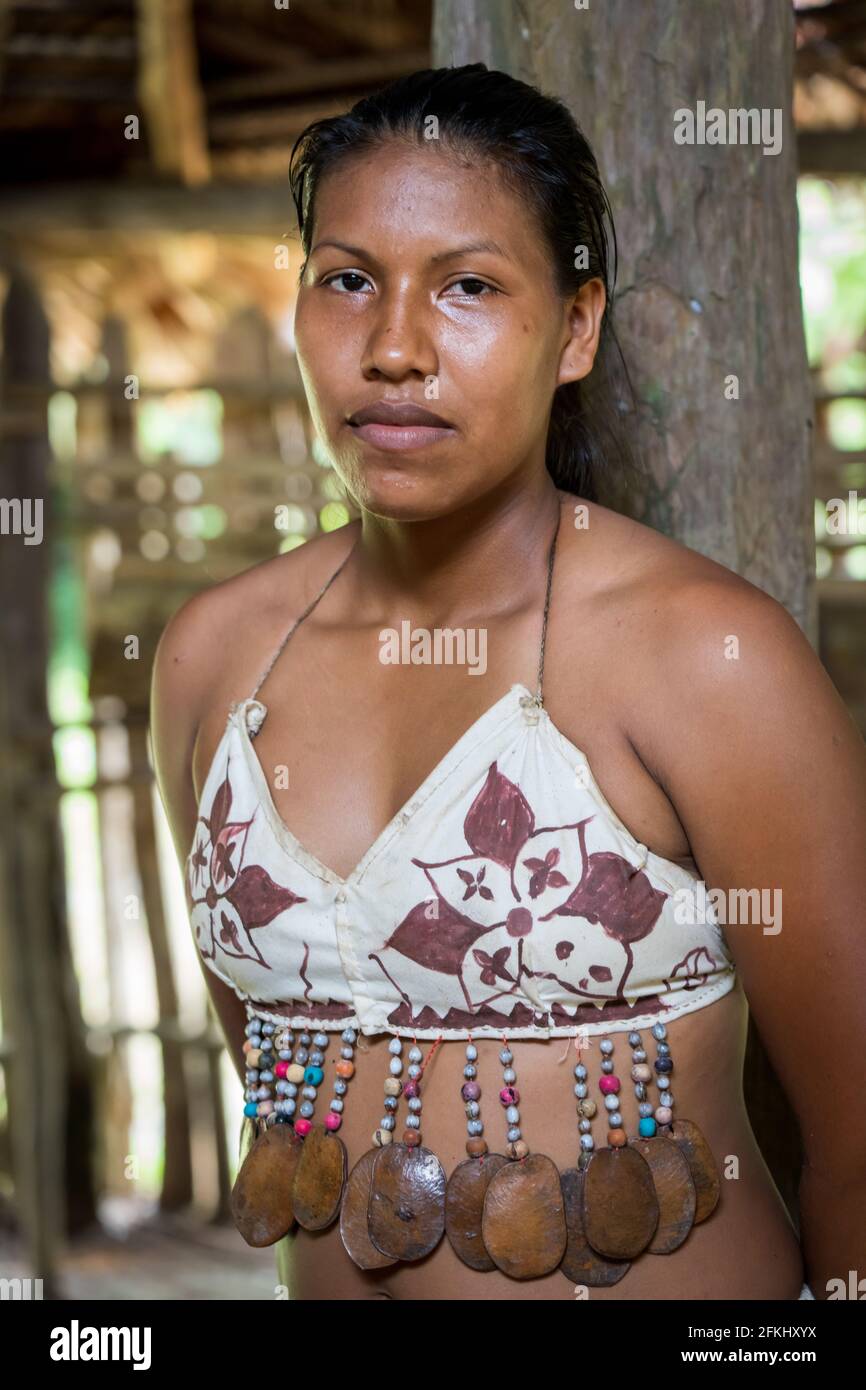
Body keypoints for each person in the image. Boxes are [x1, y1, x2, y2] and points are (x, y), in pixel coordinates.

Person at [151, 64, 866, 1301]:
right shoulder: (214, 654)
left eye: (468, 286)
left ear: (576, 327)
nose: (393, 348)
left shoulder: (703, 656)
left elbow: (857, 1146)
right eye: (347, 281)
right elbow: (272, 1083)